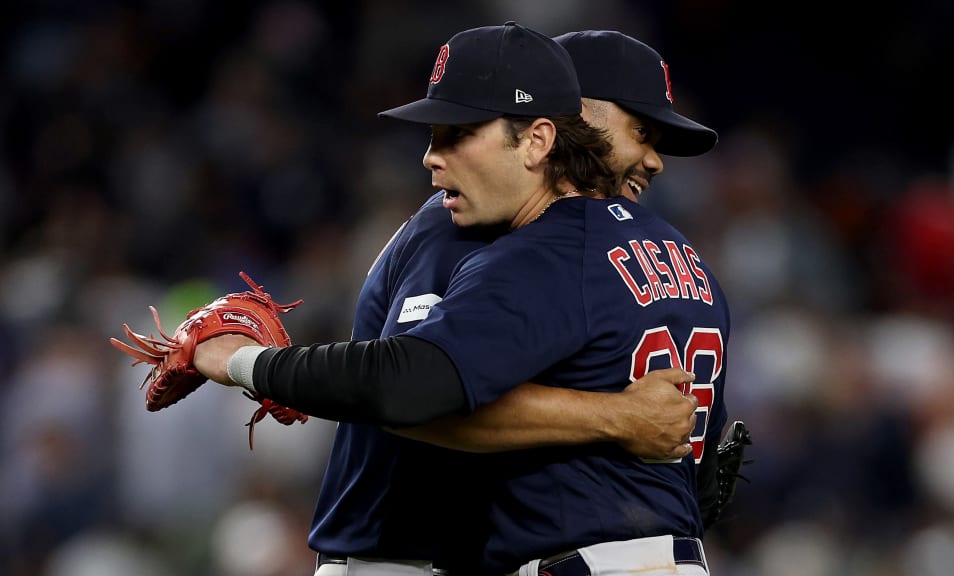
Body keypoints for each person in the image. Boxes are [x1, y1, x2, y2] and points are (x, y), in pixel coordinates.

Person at [195, 22, 729, 576]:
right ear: (574, 115)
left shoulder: (563, 237)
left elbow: (412, 387)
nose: (654, 159)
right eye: (641, 130)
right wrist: (616, 418)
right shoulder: (465, 225)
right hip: (395, 555)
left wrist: (241, 363)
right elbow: (406, 389)